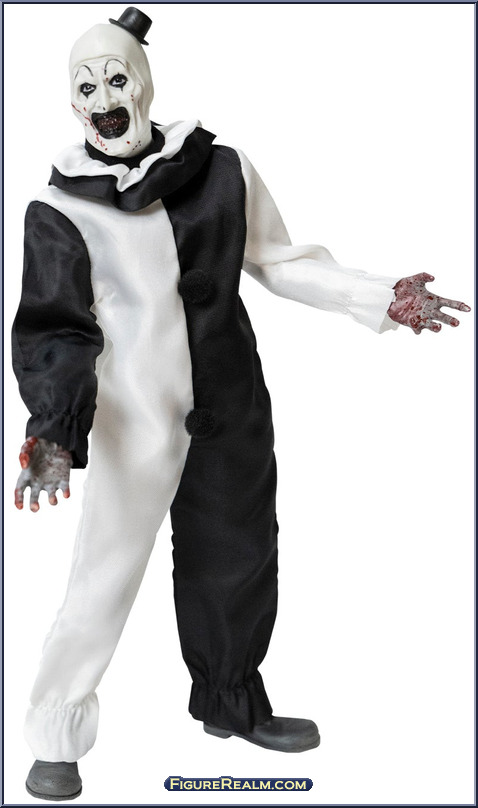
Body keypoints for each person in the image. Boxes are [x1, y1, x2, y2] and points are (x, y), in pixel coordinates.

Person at [12, 7, 470, 802]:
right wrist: (53, 430)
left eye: (116, 79)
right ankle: (56, 737)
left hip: (231, 411)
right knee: (104, 574)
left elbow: (280, 261)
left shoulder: (221, 169)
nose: (104, 99)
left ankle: (229, 701)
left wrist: (378, 296)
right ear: (71, 103)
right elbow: (57, 330)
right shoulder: (61, 210)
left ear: (144, 84)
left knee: (238, 560)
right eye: (85, 88)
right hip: (133, 422)